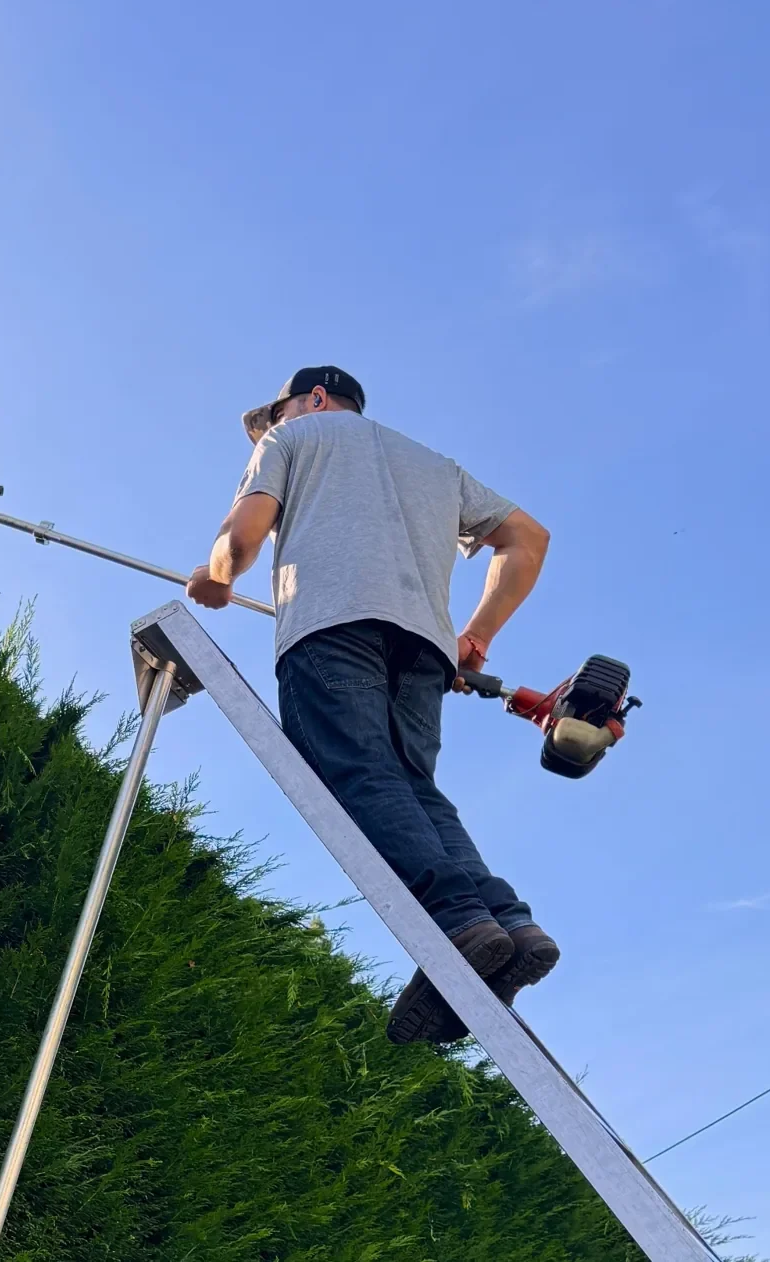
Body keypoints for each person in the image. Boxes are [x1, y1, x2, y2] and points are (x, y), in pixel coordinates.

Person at [185, 366, 554, 1044]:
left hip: (331, 629)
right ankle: (507, 923)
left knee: (361, 777)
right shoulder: (436, 466)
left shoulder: (292, 440)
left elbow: (244, 533)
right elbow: (529, 538)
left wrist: (216, 577)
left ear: (315, 399)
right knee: (415, 788)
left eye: (275, 414)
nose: (266, 429)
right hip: (423, 645)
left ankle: (458, 922)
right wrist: (476, 636)